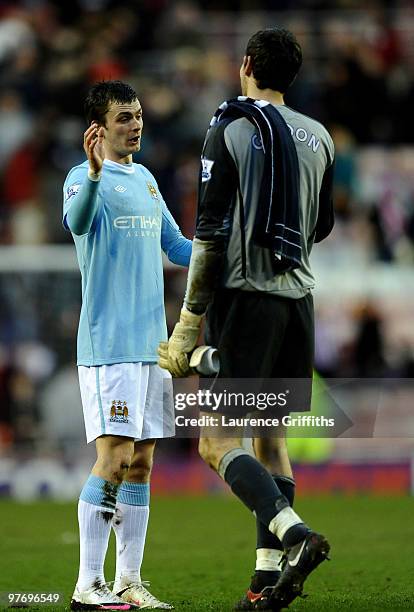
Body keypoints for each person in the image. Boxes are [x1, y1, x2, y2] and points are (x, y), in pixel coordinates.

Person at [158, 28, 334, 611]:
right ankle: (264, 585)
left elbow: (208, 231)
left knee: (213, 441)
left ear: (248, 65)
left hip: (246, 298)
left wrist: (189, 322)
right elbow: (323, 225)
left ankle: (295, 534)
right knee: (271, 440)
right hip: (298, 301)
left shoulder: (229, 128)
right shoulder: (321, 137)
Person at [63, 80, 191, 611]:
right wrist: (93, 172)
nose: (136, 124)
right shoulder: (81, 179)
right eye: (124, 118)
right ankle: (85, 585)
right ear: (99, 127)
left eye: (137, 115)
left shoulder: (145, 179)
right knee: (112, 460)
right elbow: (76, 222)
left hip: (152, 347)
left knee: (140, 463)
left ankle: (128, 582)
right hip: (108, 346)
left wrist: (228, 250)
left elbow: (178, 246)